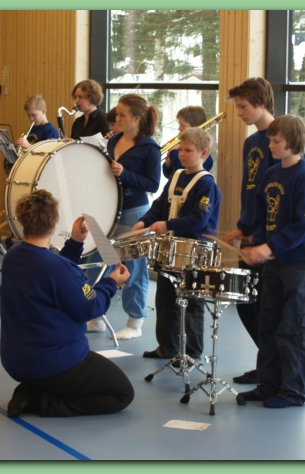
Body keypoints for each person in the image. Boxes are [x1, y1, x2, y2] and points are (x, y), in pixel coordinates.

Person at [0, 190, 134, 417]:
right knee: (122, 393)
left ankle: (30, 390)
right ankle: (41, 403)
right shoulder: (57, 268)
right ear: (54, 221)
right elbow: (90, 307)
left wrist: (75, 243)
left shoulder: (12, 256)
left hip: (15, 362)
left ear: (22, 220)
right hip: (54, 363)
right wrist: (112, 282)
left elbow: (53, 274)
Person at [239, 114, 305, 409]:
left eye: (276, 141)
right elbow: (261, 213)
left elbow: (304, 225)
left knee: (293, 329)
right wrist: (257, 240)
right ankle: (268, 385)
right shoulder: (270, 173)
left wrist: (270, 246)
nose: (271, 146)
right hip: (274, 262)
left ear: (292, 143)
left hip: (299, 263)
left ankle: (292, 391)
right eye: (270, 140)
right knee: (268, 324)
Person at [135, 127, 221, 362]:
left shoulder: (206, 184)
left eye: (188, 150)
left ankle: (192, 352)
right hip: (170, 250)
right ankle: (168, 347)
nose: (181, 154)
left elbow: (199, 219)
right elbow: (159, 205)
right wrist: (145, 221)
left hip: (195, 251)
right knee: (165, 300)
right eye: (180, 149)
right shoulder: (176, 176)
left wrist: (168, 224)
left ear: (203, 153)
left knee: (192, 303)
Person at [86, 93, 161, 339]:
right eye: (117, 114)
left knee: (135, 268)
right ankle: (95, 315)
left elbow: (152, 184)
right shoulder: (114, 139)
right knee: (96, 263)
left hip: (133, 212)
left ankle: (135, 322)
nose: (116, 118)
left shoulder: (149, 147)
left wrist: (125, 174)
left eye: (122, 115)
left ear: (137, 118)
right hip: (106, 210)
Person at [223, 77, 276, 384]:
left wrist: (263, 236)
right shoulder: (251, 141)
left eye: (243, 106)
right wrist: (241, 226)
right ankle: (267, 362)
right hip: (250, 231)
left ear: (261, 103)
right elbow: (250, 189)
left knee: (265, 308)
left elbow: (275, 195)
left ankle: (273, 368)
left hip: (267, 239)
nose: (239, 112)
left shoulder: (280, 138)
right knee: (245, 303)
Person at [162, 106, 214, 178]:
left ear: (196, 127)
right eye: (179, 124)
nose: (179, 128)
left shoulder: (205, 157)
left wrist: (173, 151)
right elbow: (169, 175)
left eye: (183, 125)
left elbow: (181, 168)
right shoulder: (180, 146)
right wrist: (168, 165)